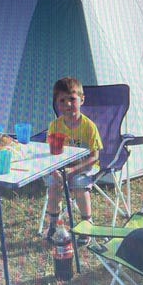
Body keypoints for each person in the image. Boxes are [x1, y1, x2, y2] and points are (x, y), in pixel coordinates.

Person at [44, 77, 103, 246]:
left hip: (85, 166)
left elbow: (94, 157)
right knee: (53, 185)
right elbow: (50, 155)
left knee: (79, 185)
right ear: (56, 103)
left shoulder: (89, 126)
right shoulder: (55, 126)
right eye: (62, 100)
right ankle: (54, 224)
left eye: (72, 99)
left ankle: (86, 223)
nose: (68, 104)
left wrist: (73, 171)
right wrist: (56, 172)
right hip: (61, 167)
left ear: (82, 99)